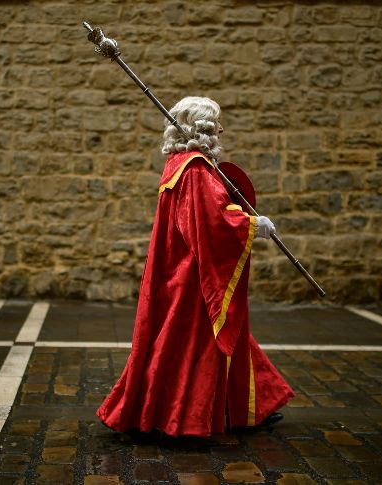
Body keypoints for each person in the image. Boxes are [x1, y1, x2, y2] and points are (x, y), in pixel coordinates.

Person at [96, 96, 295, 437]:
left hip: (178, 269)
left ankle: (252, 406)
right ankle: (184, 417)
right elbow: (210, 222)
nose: (221, 129)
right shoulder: (196, 170)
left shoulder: (179, 166)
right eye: (216, 122)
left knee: (223, 337)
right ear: (202, 128)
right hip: (193, 276)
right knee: (198, 346)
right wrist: (252, 225)